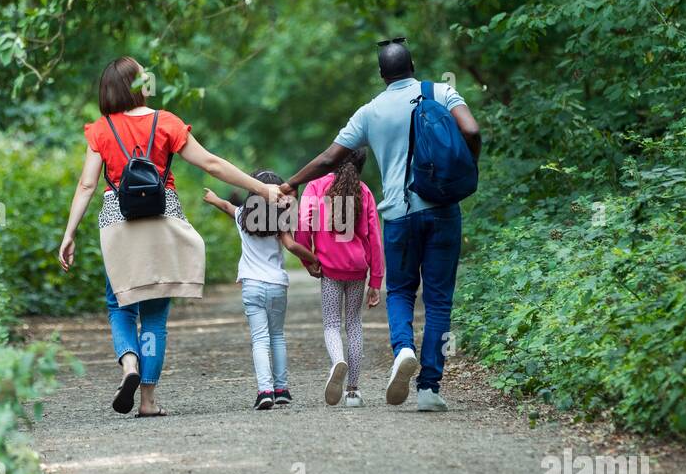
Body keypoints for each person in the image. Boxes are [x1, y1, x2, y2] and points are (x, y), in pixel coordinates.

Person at [58, 56, 284, 417]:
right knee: (154, 316)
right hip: (162, 221)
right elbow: (211, 163)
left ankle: (128, 364)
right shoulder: (166, 123)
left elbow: (87, 184)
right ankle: (148, 401)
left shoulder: (100, 130)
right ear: (138, 85)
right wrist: (263, 189)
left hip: (118, 223)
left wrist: (68, 234)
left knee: (120, 305)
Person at [278, 38, 482, 412]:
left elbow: (329, 158)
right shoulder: (442, 91)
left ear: (381, 74)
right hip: (442, 209)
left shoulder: (369, 111)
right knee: (438, 301)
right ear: (413, 65)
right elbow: (471, 131)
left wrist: (292, 182)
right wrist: (467, 170)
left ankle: (403, 349)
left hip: (399, 216)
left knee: (401, 291)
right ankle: (428, 389)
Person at [202, 174, 320, 410]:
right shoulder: (281, 218)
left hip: (252, 286)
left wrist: (213, 199)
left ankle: (264, 391)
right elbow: (292, 246)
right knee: (277, 337)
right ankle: (282, 389)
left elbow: (227, 206)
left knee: (259, 339)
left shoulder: (242, 217)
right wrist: (315, 259)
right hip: (277, 285)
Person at [294, 149, 383, 408]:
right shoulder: (364, 191)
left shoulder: (316, 186)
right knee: (354, 324)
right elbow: (374, 238)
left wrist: (308, 259)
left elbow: (302, 226)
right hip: (357, 269)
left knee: (332, 324)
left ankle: (337, 362)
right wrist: (376, 280)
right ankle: (353, 392)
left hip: (330, 269)